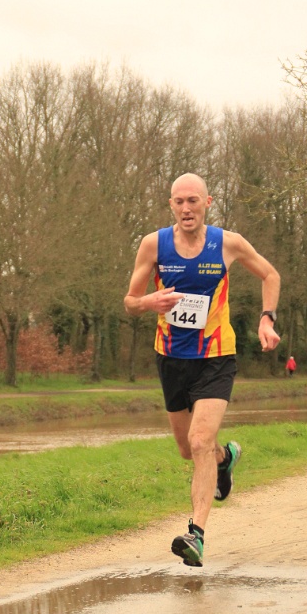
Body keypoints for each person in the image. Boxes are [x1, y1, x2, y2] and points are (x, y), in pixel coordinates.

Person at [124, 172, 281, 567]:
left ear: (207, 202)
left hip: (216, 357)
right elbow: (129, 301)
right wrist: (149, 302)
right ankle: (224, 458)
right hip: (171, 357)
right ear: (171, 205)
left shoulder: (227, 243)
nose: (186, 208)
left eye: (193, 200)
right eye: (179, 201)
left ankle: (196, 535)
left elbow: (270, 274)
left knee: (198, 441)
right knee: (187, 450)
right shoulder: (154, 244)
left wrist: (266, 318)